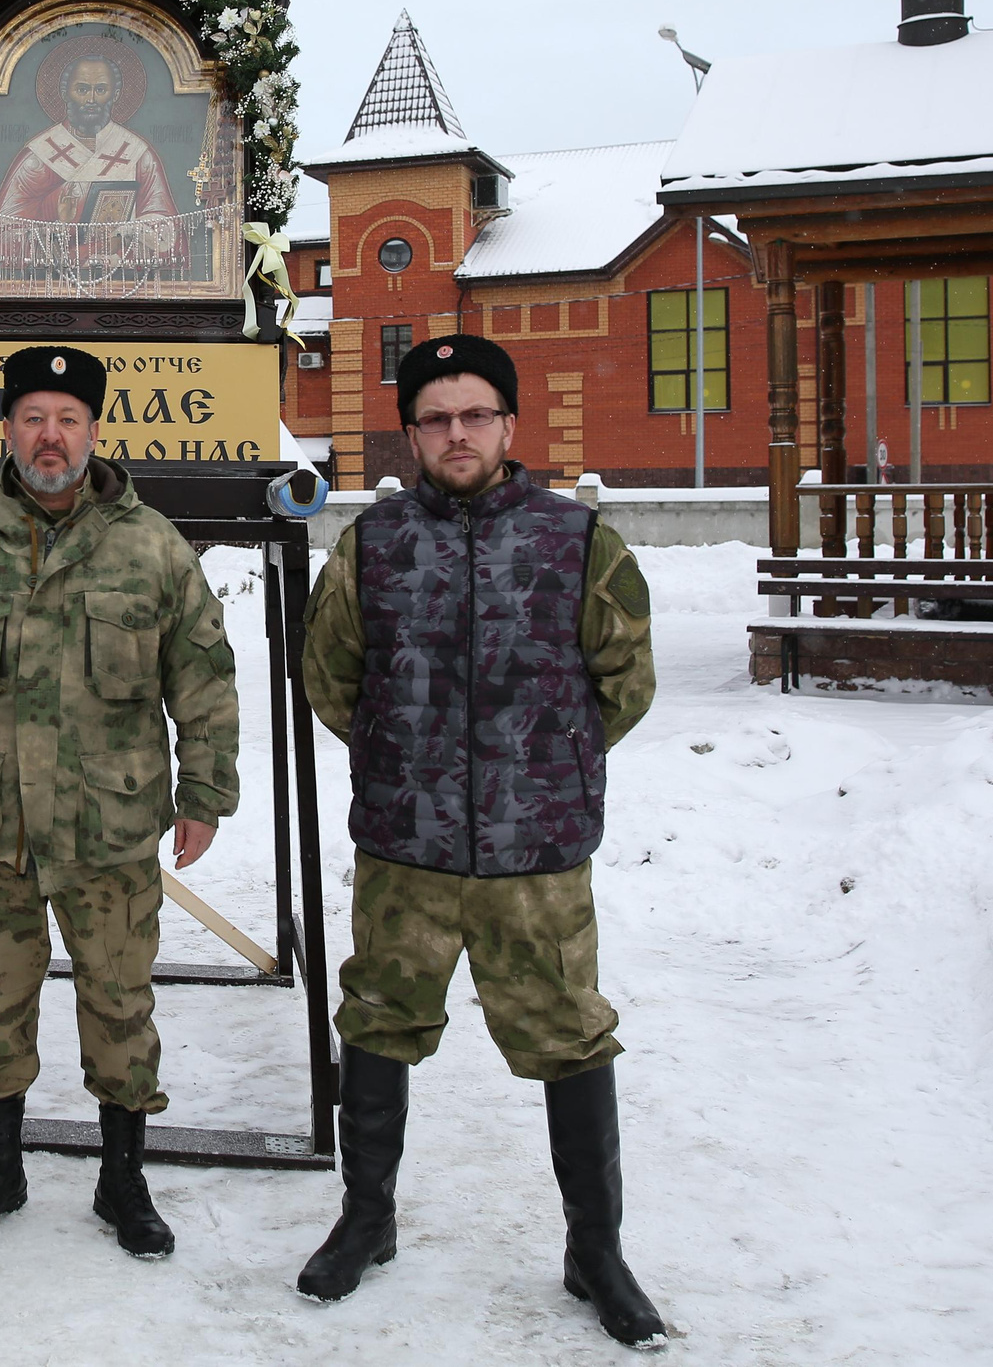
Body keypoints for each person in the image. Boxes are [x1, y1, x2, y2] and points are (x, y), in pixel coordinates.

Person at [295, 333, 666, 1350]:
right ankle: (366, 1218)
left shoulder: (577, 539)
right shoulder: (369, 544)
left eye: (473, 415)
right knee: (376, 1020)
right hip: (404, 851)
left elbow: (622, 680)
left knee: (570, 1037)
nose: (455, 434)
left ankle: (596, 1248)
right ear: (410, 433)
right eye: (434, 417)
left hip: (533, 855)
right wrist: (403, 755)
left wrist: (539, 763)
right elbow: (330, 675)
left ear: (506, 424)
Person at [0, 345, 239, 1258]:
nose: (51, 436)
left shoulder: (150, 545)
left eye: (68, 419)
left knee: (121, 1004)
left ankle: (124, 1180)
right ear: (6, 429)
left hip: (106, 829)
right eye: (34, 418)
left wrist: (205, 792)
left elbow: (203, 679)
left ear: (94, 431)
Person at [0, 41, 177, 270]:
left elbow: (165, 223)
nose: (91, 100)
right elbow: (1, 238)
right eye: (82, 89)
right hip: (54, 281)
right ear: (66, 92)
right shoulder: (37, 158)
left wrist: (128, 233)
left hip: (119, 276)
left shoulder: (138, 154)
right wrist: (58, 225)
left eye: (100, 90)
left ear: (115, 94)